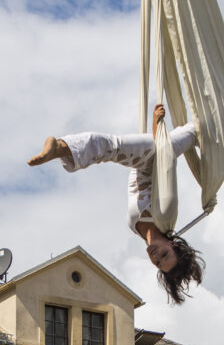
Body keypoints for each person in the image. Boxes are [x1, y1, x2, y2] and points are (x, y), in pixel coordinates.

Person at [28, 104, 205, 305]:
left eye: (157, 263)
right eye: (165, 255)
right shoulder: (165, 215)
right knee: (111, 146)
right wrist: (157, 125)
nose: (156, 257)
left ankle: (62, 149)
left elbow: (162, 157)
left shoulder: (136, 230)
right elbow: (165, 163)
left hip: (147, 158)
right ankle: (60, 148)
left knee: (112, 148)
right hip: (157, 153)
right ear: (172, 244)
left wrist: (157, 129)